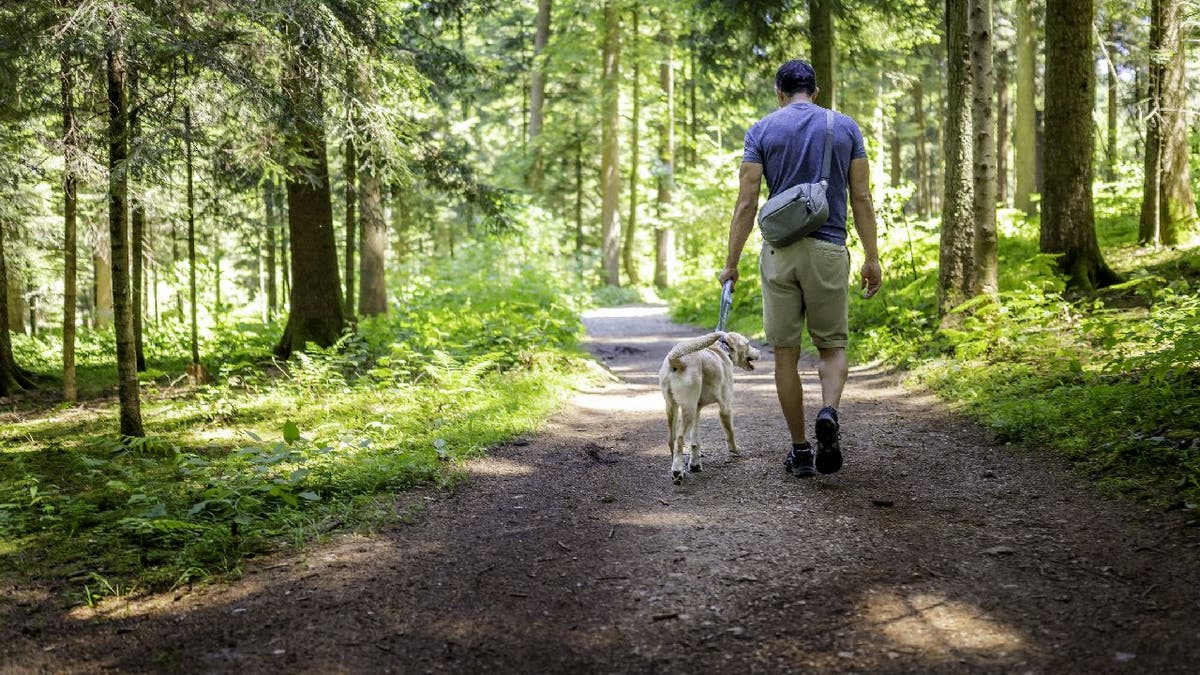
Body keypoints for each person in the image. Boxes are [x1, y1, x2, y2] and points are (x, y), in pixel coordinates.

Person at [718, 59, 882, 478]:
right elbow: (861, 198)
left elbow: (747, 201)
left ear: (779, 93)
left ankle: (801, 451)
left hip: (779, 253)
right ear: (817, 90)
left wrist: (731, 263)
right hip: (828, 249)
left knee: (785, 357)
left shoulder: (761, 130)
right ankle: (828, 411)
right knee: (832, 347)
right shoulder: (845, 127)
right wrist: (871, 256)